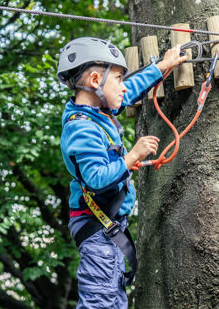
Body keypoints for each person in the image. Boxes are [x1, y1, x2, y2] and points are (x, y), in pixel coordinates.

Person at [57, 37, 187, 308]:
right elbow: (95, 179)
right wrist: (130, 158)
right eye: (118, 78)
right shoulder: (82, 128)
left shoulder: (97, 112)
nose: (123, 86)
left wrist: (163, 65)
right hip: (96, 229)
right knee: (101, 300)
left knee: (114, 301)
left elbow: (131, 91)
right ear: (95, 81)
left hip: (108, 226)